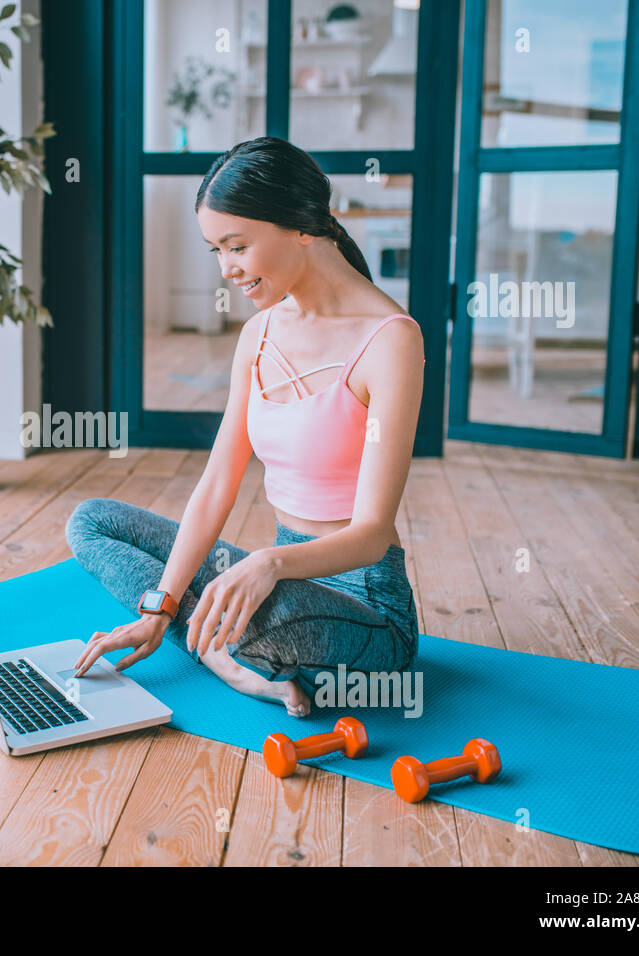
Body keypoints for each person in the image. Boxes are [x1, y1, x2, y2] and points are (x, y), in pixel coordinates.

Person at [64, 136, 425, 718]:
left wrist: (267, 564)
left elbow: (373, 532)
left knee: (255, 612)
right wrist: (158, 608)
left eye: (237, 246)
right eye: (216, 251)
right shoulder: (259, 334)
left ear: (301, 226)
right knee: (93, 521)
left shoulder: (390, 340)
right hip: (275, 582)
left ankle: (231, 658)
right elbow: (216, 485)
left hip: (367, 612)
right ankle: (232, 654)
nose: (228, 269)